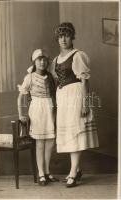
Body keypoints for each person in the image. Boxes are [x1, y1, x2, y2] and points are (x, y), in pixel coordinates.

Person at [51, 22, 99, 188]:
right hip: (63, 98)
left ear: (72, 37)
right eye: (60, 36)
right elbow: (57, 81)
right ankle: (77, 170)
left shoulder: (78, 55)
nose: (63, 39)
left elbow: (85, 81)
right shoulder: (56, 59)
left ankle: (72, 173)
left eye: (67, 35)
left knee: (76, 133)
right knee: (69, 133)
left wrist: (86, 103)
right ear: (57, 39)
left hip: (76, 96)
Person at [17, 49, 59, 186]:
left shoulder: (51, 77)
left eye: (44, 59)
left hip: (50, 108)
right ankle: (41, 173)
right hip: (37, 109)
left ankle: (47, 171)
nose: (42, 62)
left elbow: (56, 94)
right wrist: (21, 114)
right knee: (40, 142)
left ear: (47, 62)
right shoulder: (30, 77)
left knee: (50, 141)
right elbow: (21, 97)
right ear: (34, 62)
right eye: (39, 59)